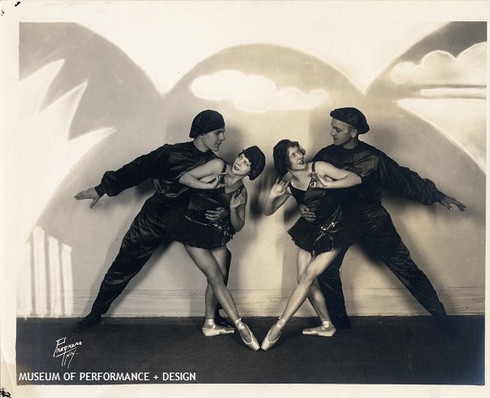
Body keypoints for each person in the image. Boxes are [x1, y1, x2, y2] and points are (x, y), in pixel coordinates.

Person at [304, 107, 466, 336]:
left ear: (353, 132)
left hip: (373, 221)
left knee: (407, 269)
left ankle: (443, 320)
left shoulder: (373, 158)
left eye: (337, 129)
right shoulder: (325, 156)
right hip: (339, 221)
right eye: (332, 127)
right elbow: (309, 188)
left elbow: (404, 179)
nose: (332, 132)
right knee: (327, 270)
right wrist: (305, 207)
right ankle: (340, 324)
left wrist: (438, 197)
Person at [72, 110, 232, 332]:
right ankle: (95, 313)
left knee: (223, 258)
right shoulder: (170, 154)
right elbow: (137, 168)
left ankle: (213, 317)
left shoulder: (217, 164)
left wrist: (224, 212)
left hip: (189, 221)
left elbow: (227, 194)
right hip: (155, 218)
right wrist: (102, 189)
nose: (222, 138)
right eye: (218, 132)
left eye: (223, 132)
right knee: (124, 263)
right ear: (202, 133)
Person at [260, 139, 362, 351]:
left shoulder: (319, 167)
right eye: (293, 155)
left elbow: (355, 178)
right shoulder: (287, 181)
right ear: (284, 162)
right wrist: (272, 195)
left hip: (336, 228)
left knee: (308, 277)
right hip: (311, 231)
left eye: (298, 151)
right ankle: (326, 324)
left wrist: (329, 184)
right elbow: (268, 211)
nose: (299, 156)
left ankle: (279, 326)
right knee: (302, 278)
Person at [164, 146, 266, 350]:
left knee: (220, 272)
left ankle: (210, 323)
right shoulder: (218, 166)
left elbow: (238, 226)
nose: (240, 163)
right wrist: (208, 187)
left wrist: (229, 211)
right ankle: (240, 325)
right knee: (216, 277)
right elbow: (184, 178)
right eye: (241, 157)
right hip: (191, 227)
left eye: (246, 163)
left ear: (251, 173)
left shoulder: (241, 192)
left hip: (214, 233)